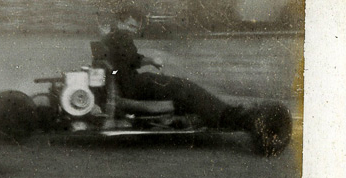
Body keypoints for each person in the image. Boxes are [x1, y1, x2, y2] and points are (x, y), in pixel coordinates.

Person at [96, 8, 253, 130]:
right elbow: (130, 60)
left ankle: (221, 113)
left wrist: (150, 61)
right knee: (185, 88)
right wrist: (148, 62)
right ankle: (226, 115)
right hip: (134, 85)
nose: (133, 31)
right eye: (130, 26)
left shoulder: (111, 38)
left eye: (135, 28)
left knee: (182, 86)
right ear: (120, 22)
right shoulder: (121, 36)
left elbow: (129, 60)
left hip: (129, 83)